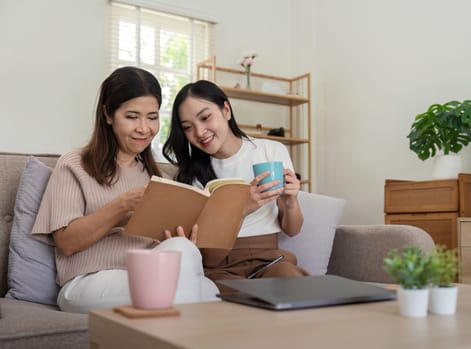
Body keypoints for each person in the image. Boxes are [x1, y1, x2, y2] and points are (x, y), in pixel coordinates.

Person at [32, 67, 219, 313]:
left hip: (151, 273)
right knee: (195, 294)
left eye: (152, 117)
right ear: (108, 115)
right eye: (132, 117)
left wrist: (180, 239)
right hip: (89, 281)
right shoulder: (74, 164)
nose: (144, 128)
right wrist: (122, 206)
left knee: (200, 274)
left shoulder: (158, 177)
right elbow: (67, 243)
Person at [162, 80, 308, 287]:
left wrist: (290, 200)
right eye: (188, 127)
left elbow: (292, 230)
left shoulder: (271, 151)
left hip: (270, 260)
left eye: (205, 117)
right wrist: (241, 208)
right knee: (231, 298)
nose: (200, 132)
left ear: (226, 110)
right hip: (221, 267)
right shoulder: (191, 176)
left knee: (292, 282)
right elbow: (210, 259)